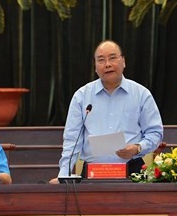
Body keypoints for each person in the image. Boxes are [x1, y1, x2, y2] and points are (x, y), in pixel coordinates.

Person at [50, 40, 163, 183]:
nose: (107, 64)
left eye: (113, 58)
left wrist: (137, 148)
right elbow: (72, 139)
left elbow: (155, 133)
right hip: (92, 174)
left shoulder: (141, 94)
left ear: (123, 61)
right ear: (95, 67)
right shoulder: (82, 96)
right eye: (101, 60)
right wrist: (64, 174)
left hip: (132, 171)